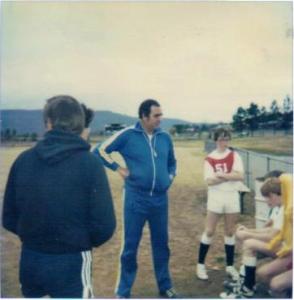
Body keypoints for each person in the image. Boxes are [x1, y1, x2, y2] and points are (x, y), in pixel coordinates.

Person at [2, 95, 116, 298]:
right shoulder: (90, 164)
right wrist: (78, 242)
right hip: (72, 261)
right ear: (80, 124)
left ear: (48, 123)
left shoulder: (23, 160)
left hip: (31, 259)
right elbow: (105, 225)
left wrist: (35, 238)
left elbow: (9, 217)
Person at [93, 99, 178, 298]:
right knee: (130, 246)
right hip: (135, 199)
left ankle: (165, 287)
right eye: (156, 115)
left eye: (160, 115)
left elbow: (173, 163)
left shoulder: (165, 137)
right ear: (144, 116)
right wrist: (118, 168)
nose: (160, 119)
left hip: (160, 200)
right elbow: (99, 150)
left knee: (161, 244)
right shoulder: (128, 135)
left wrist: (169, 178)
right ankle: (123, 291)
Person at [220, 173, 292, 298]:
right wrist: (249, 231)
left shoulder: (287, 208)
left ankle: (247, 288)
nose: (266, 200)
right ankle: (245, 284)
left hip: (285, 250)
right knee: (261, 271)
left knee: (249, 244)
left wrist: (248, 233)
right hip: (285, 249)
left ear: (279, 194)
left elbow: (272, 236)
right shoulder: (280, 208)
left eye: (269, 197)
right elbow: (269, 230)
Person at [196, 128, 245, 281]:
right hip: (216, 197)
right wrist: (230, 176)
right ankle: (200, 265)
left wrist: (222, 175)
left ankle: (230, 266)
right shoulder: (209, 158)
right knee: (209, 231)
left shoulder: (234, 155)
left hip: (231, 196)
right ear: (215, 140)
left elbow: (240, 176)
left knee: (230, 231)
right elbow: (209, 181)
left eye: (226, 138)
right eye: (221, 138)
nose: (224, 141)